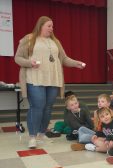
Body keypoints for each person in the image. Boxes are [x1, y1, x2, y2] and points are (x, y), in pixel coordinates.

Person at [14, 16, 85, 149]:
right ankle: (32, 137)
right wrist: (29, 63)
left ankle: (41, 134)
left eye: (52, 26)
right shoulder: (28, 39)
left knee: (47, 108)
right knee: (37, 106)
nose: (52, 29)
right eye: (49, 26)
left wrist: (76, 63)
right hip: (34, 78)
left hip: (53, 79)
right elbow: (17, 58)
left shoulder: (55, 42)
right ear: (40, 26)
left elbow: (63, 59)